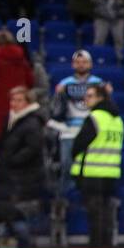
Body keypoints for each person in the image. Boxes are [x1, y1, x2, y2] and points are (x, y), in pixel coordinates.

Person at [69, 84, 123, 248]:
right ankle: (106, 246)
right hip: (111, 172)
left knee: (95, 214)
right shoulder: (118, 120)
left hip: (92, 173)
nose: (86, 99)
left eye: (90, 96)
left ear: (100, 98)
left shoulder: (95, 117)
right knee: (108, 213)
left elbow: (78, 144)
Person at [0, 87, 46, 248]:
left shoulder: (32, 122)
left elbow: (32, 149)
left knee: (19, 218)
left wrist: (11, 161)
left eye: (19, 100)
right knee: (9, 216)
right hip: (10, 178)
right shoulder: (11, 120)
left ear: (28, 103)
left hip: (25, 179)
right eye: (12, 100)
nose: (14, 104)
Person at [47, 50, 104, 191]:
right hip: (69, 132)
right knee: (67, 167)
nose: (81, 65)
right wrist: (58, 93)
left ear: (90, 64)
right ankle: (66, 200)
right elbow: (55, 109)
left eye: (84, 62)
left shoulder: (98, 83)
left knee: (88, 169)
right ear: (73, 65)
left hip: (91, 130)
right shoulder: (65, 84)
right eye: (78, 62)